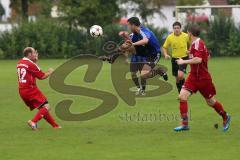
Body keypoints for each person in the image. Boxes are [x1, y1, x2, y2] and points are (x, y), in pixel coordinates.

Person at [174, 26, 230, 132]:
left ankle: (225, 116)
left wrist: (184, 62)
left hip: (203, 78)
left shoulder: (199, 43)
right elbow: (207, 56)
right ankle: (185, 124)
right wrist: (190, 54)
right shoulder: (195, 44)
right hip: (193, 77)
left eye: (187, 33)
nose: (186, 35)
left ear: (190, 34)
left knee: (211, 102)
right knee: (182, 96)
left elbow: (199, 59)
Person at [17, 47, 60, 130]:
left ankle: (55, 126)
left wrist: (35, 61)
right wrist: (50, 71)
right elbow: (42, 76)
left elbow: (31, 69)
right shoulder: (31, 64)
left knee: (42, 108)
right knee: (46, 107)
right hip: (30, 89)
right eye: (34, 53)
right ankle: (33, 121)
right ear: (29, 54)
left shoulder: (20, 63)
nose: (36, 54)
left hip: (22, 91)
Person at [127, 17, 168, 95]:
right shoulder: (135, 33)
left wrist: (133, 44)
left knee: (143, 74)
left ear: (133, 25)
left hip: (155, 54)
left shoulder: (143, 31)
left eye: (128, 25)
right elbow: (131, 44)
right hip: (147, 54)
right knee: (144, 74)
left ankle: (159, 71)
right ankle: (158, 71)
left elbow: (146, 41)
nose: (128, 27)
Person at [162, 22, 189, 94]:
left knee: (180, 75)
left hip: (184, 58)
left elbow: (191, 44)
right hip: (174, 59)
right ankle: (180, 92)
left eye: (178, 28)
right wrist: (165, 54)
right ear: (173, 29)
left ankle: (184, 91)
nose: (176, 29)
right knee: (177, 78)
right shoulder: (170, 37)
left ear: (180, 28)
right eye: (175, 28)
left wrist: (189, 51)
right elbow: (164, 47)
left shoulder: (186, 36)